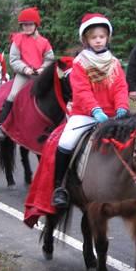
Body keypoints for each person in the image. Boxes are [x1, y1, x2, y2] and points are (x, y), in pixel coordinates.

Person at [51, 13, 129, 209]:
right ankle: (59, 187)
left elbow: (120, 87)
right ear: (86, 40)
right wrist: (95, 110)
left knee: (133, 141)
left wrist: (122, 106)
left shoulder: (114, 63)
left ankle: (130, 183)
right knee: (65, 142)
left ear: (107, 38)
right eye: (93, 37)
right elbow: (81, 90)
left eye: (101, 36)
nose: (98, 40)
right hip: (85, 114)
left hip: (112, 114)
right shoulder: (80, 63)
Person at [0, 7, 54, 139]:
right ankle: (2, 126)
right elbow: (14, 60)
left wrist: (43, 68)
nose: (27, 27)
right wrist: (25, 69)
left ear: (35, 25)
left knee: (53, 95)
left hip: (40, 74)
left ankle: (55, 126)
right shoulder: (17, 40)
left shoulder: (44, 42)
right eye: (24, 25)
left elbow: (50, 59)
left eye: (30, 25)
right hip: (23, 73)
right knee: (13, 94)